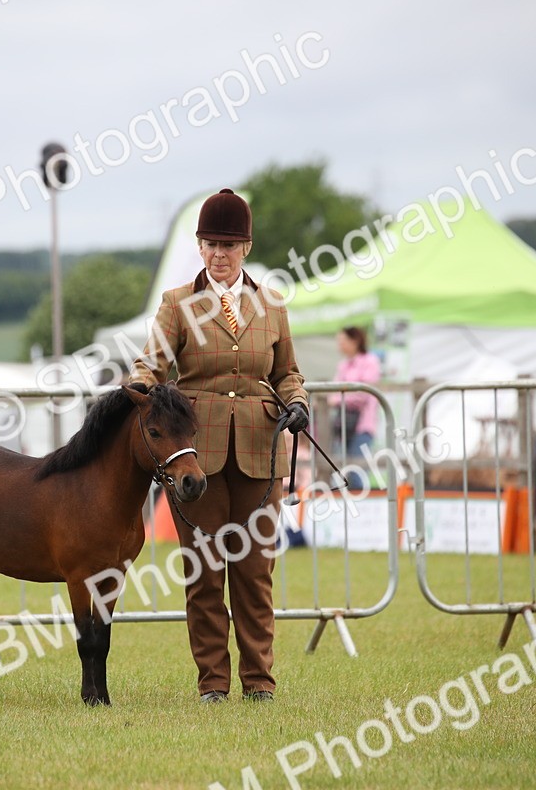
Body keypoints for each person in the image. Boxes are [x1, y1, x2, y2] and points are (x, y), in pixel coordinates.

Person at [129, 188, 308, 704]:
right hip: (195, 460)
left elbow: (288, 372)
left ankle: (259, 683)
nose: (219, 254)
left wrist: (297, 401)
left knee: (254, 575)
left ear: (246, 247)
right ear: (199, 246)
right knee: (205, 575)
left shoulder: (272, 305)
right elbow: (151, 364)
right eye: (210, 243)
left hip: (260, 452)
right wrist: (139, 388)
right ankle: (213, 683)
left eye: (229, 244)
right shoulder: (177, 305)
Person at [326, 326, 381, 459]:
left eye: (343, 341)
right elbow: (334, 389)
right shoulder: (343, 364)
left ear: (354, 341)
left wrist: (336, 400)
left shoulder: (370, 361)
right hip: (343, 423)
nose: (340, 345)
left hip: (363, 424)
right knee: (343, 470)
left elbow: (364, 393)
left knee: (357, 471)